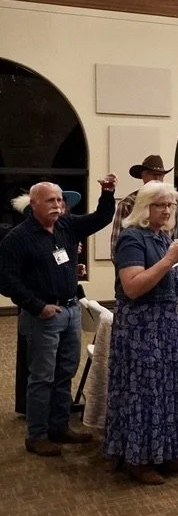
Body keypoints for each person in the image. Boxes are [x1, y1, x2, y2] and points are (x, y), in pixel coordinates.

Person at [0, 175, 117, 456]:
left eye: (60, 200)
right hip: (43, 316)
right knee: (42, 377)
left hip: (70, 310)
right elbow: (5, 280)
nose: (58, 205)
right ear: (33, 204)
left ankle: (59, 426)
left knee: (65, 372)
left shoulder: (66, 225)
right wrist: (37, 306)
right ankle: (37, 435)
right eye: (51, 201)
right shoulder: (17, 238)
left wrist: (107, 193)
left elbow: (101, 218)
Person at [106, 182, 178, 484]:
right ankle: (138, 459)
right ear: (145, 207)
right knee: (144, 393)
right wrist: (169, 261)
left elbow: (159, 278)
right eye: (160, 205)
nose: (167, 210)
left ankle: (164, 452)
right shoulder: (131, 238)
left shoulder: (162, 237)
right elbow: (133, 287)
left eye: (170, 205)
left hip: (165, 327)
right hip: (141, 330)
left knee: (165, 390)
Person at [110, 155, 178, 260]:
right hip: (138, 262)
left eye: (160, 175)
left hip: (167, 260)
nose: (157, 179)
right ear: (143, 175)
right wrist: (125, 265)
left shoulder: (171, 198)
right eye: (153, 174)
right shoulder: (128, 203)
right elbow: (117, 244)